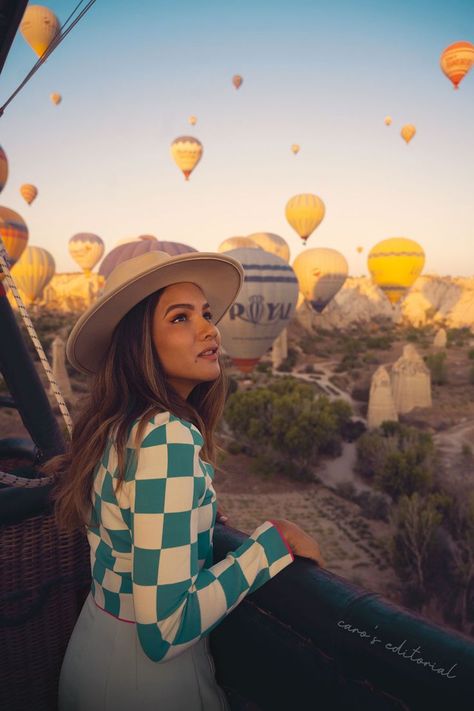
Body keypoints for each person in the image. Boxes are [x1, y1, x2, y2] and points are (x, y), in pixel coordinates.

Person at [43, 250, 323, 711]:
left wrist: (198, 520)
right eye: (180, 318)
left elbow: (129, 531)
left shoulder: (119, 427)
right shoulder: (167, 437)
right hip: (147, 687)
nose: (209, 328)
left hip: (94, 654)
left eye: (206, 315)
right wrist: (273, 545)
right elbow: (166, 630)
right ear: (140, 345)